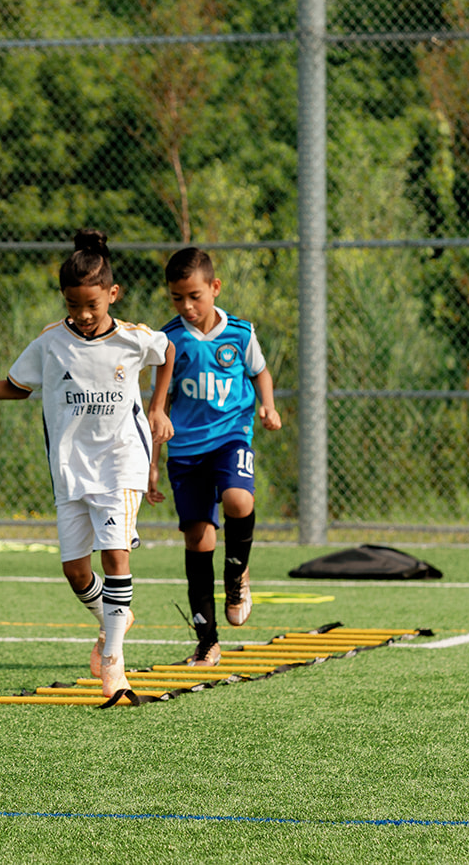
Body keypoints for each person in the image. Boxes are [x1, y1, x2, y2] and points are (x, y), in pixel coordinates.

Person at [0, 230, 173, 698]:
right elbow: (17, 387)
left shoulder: (133, 338)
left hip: (120, 463)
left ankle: (114, 659)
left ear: (113, 294)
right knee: (75, 571)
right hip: (70, 469)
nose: (83, 314)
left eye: (92, 305)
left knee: (115, 554)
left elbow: (166, 351)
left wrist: (157, 407)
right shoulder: (51, 342)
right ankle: (114, 620)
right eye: (73, 305)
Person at [148, 247, 282, 667]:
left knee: (239, 500)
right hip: (186, 450)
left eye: (195, 296)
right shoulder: (170, 339)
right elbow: (160, 404)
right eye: (177, 298)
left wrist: (268, 406)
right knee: (199, 539)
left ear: (215, 288)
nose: (187, 306)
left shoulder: (240, 333)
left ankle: (236, 573)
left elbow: (260, 372)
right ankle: (207, 642)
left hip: (230, 437)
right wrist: (152, 463)